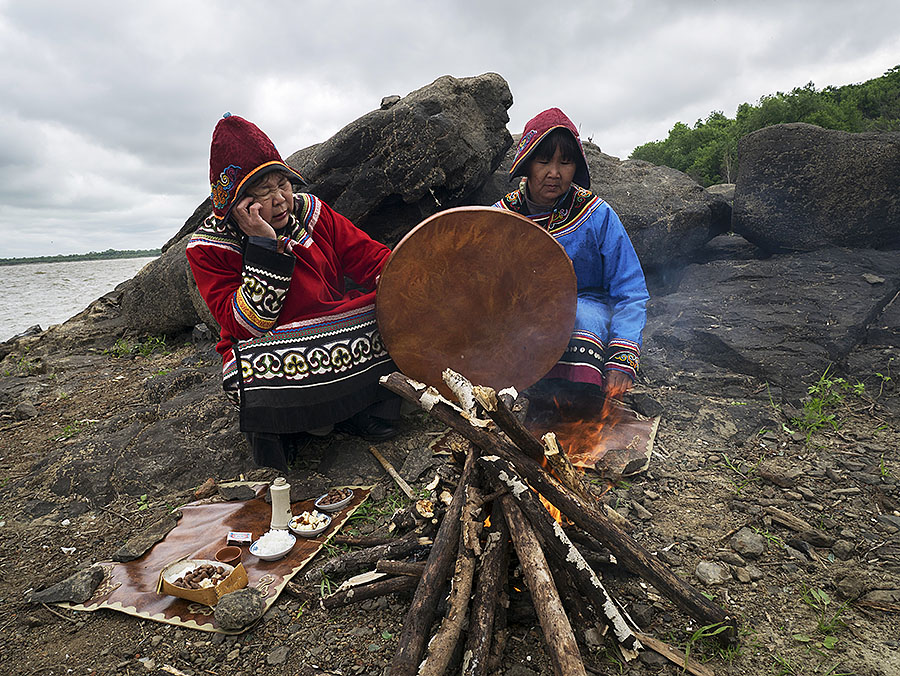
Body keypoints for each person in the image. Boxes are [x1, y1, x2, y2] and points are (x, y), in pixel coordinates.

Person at [187, 113, 399, 473]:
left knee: (396, 314)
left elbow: (370, 258)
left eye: (282, 185)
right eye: (264, 193)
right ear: (239, 203)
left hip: (334, 326)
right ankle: (290, 428)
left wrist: (401, 278)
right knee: (241, 375)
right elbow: (247, 325)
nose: (281, 199)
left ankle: (354, 412)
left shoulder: (313, 212)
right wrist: (264, 246)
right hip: (273, 344)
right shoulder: (208, 247)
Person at [493, 108, 649, 397]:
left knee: (580, 320)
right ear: (527, 164)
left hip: (582, 311)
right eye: (543, 161)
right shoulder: (500, 218)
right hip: (518, 317)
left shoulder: (596, 215)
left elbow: (630, 290)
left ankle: (574, 402)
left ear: (576, 167)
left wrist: (623, 358)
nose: (554, 173)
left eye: (565, 162)